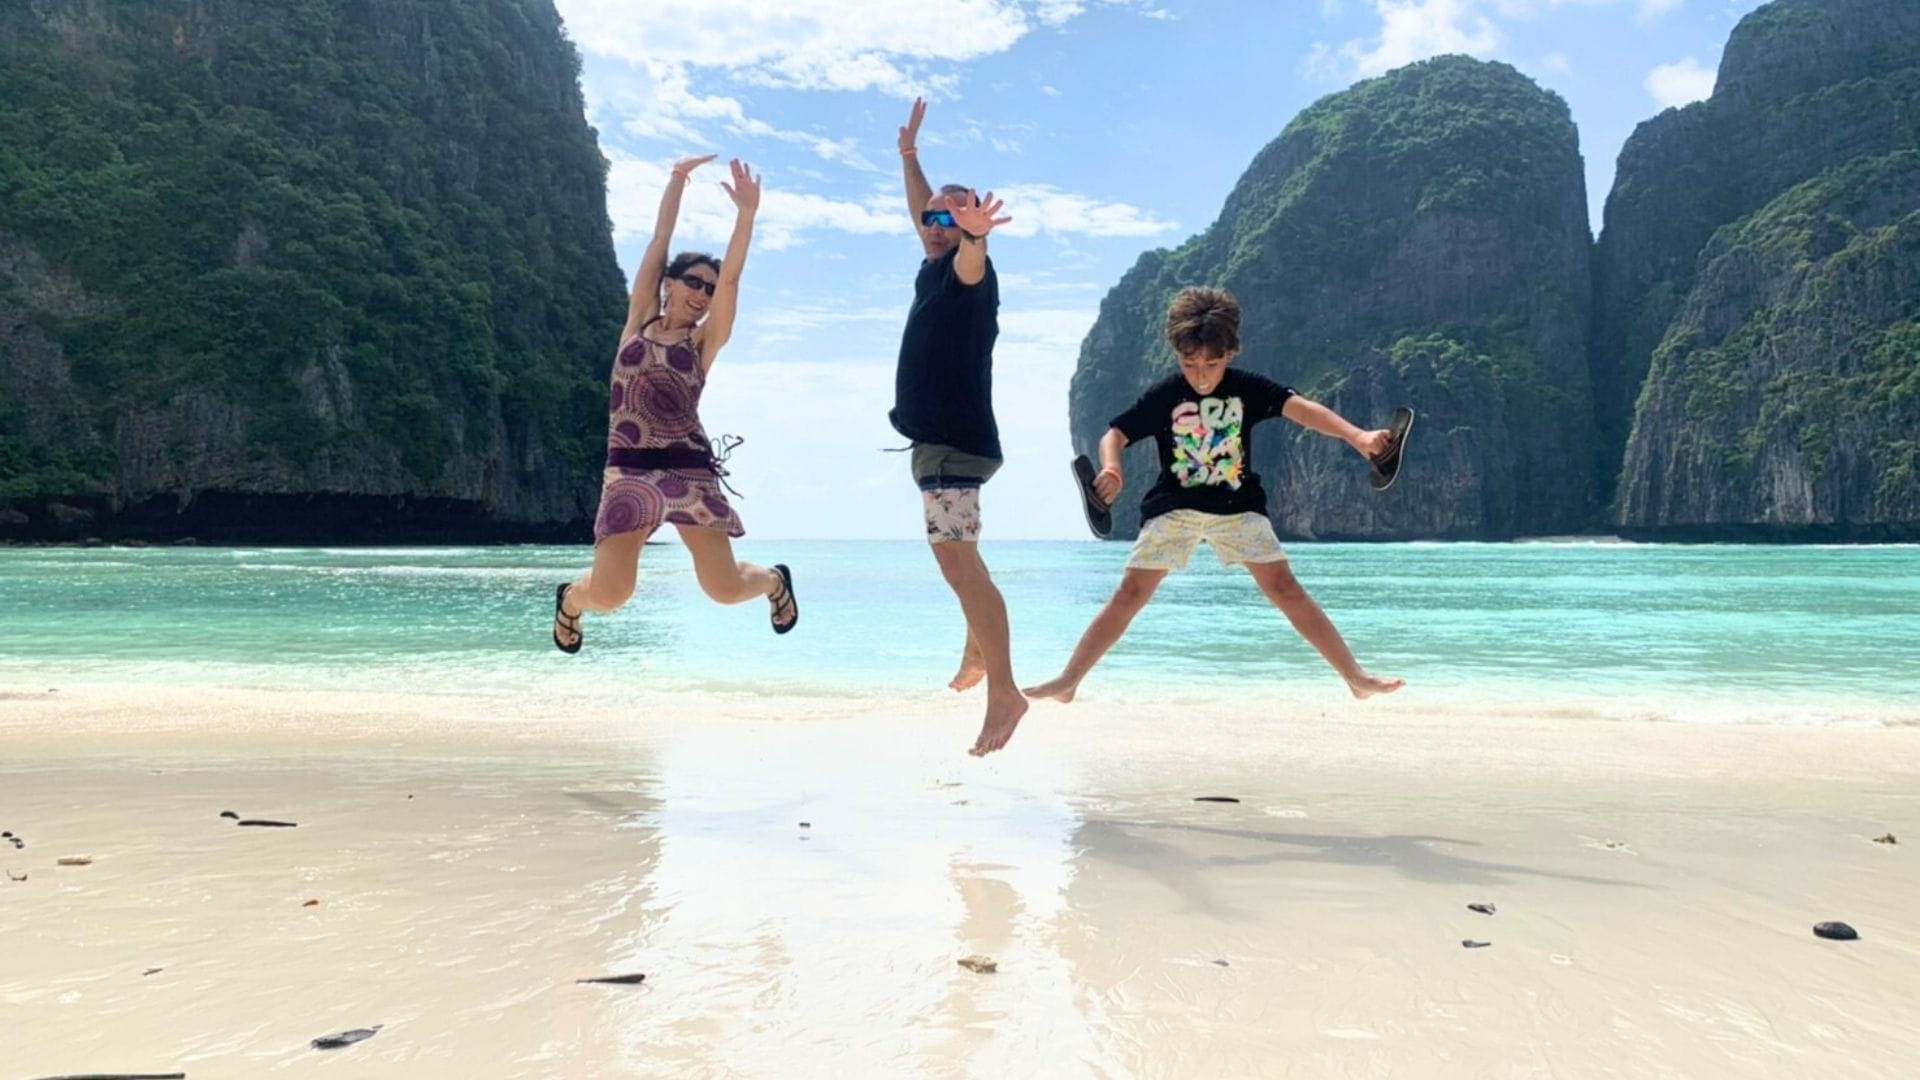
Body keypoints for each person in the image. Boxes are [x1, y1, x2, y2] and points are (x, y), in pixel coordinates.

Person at [1024, 287, 1404, 703]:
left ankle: (1355, 677)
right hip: (1175, 506)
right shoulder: (1167, 395)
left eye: (1212, 363)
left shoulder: (1248, 389)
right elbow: (1114, 434)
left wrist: (1358, 436)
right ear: (1178, 356)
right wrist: (1113, 468)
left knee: (1285, 588)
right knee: (1130, 594)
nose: (1201, 375)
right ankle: (1069, 681)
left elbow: (1304, 410)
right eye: (1190, 364)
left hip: (1238, 506)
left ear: (1231, 352)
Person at [551, 156, 796, 653]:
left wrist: (746, 214)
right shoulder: (639, 317)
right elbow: (658, 243)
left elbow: (732, 282)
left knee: (724, 590)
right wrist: (677, 181)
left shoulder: (704, 343)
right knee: (613, 593)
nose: (702, 294)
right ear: (670, 283)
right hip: (628, 470)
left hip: (688, 469)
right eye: (694, 282)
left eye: (708, 288)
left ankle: (773, 581)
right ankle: (570, 600)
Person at [889, 97, 1024, 757]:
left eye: (950, 216)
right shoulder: (932, 262)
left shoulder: (969, 272)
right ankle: (977, 647)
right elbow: (926, 212)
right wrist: (910, 158)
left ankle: (1005, 689)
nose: (935, 225)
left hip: (952, 447)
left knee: (958, 564)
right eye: (933, 217)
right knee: (961, 555)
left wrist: (976, 234)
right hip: (947, 447)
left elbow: (971, 257)